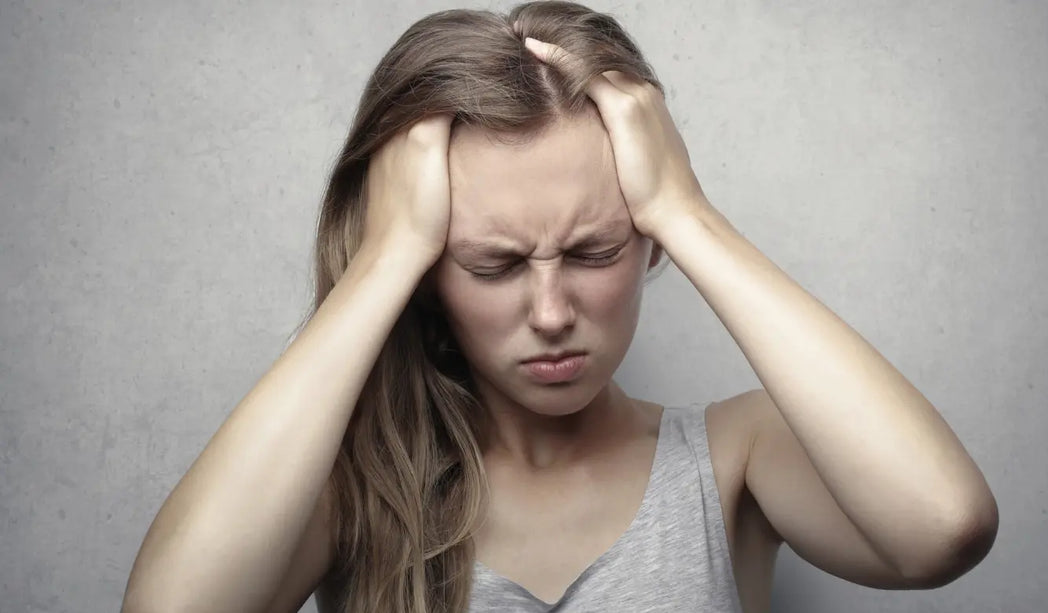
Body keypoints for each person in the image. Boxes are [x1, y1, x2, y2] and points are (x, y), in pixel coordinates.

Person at [121, 2, 999, 612]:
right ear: (430, 272)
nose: (550, 310)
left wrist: (687, 213)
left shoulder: (736, 460)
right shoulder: (348, 494)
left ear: (647, 240)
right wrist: (385, 256)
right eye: (493, 263)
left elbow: (943, 526)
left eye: (594, 250)